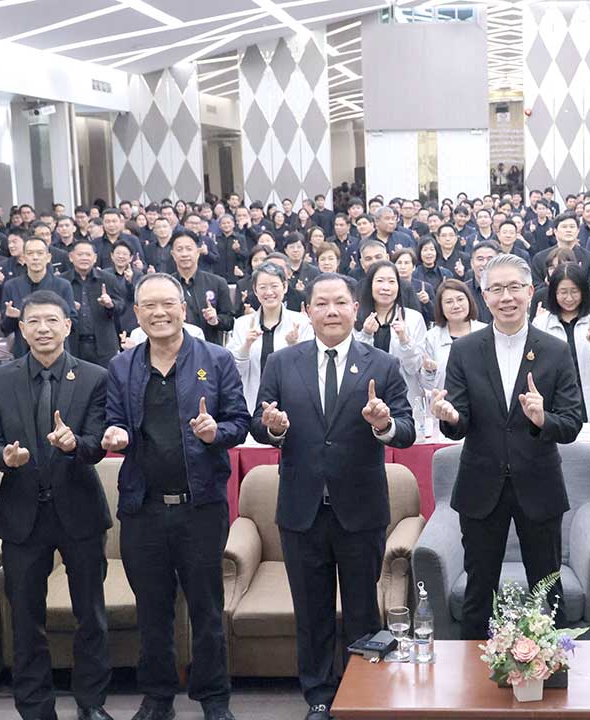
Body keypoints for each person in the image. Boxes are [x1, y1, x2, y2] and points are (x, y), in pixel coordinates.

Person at [249, 272, 416, 720]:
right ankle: (319, 696)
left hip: (360, 511)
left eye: (340, 302)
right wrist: (274, 428)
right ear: (307, 311)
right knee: (312, 613)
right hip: (301, 511)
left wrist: (384, 424)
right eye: (321, 303)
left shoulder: (383, 364)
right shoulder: (282, 363)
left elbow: (406, 430)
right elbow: (259, 422)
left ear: (355, 308)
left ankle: (364, 695)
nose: (331, 311)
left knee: (363, 612)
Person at [102, 273, 249, 720]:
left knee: (207, 609)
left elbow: (239, 421)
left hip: (200, 506)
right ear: (137, 313)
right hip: (142, 507)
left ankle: (214, 698)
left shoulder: (216, 359)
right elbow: (114, 419)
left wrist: (215, 432)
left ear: (184, 309)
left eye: (167, 303)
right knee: (152, 610)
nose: (159, 313)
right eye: (149, 306)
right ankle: (158, 697)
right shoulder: (122, 366)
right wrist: (115, 434)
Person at [429, 253, 583, 640]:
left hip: (539, 485)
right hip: (481, 486)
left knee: (548, 592)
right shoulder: (465, 350)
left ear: (531, 292)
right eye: (496, 289)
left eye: (514, 287)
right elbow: (459, 420)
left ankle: (556, 668)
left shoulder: (555, 350)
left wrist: (543, 419)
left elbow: (572, 422)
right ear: (484, 296)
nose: (506, 297)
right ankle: (473, 673)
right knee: (479, 594)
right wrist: (450, 416)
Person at [0, 290, 112, 720]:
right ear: (21, 328)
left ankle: (91, 703)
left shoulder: (94, 377)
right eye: (33, 321)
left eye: (52, 321)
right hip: (22, 515)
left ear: (68, 326)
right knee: (26, 618)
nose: (43, 329)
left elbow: (97, 444)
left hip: (79, 511)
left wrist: (75, 445)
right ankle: (35, 707)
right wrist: (5, 458)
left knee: (90, 615)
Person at [532, 263, 590, 422]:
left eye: (575, 291)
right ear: (554, 293)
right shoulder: (541, 323)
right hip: (556, 401)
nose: (569, 298)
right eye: (563, 292)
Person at [226, 263, 311, 414]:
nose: (269, 292)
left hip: (291, 404)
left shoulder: (301, 322)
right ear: (255, 290)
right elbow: (233, 371)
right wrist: (246, 345)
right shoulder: (242, 324)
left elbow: (309, 369)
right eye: (263, 287)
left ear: (285, 287)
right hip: (252, 403)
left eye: (274, 286)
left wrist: (294, 345)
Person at [354, 260, 426, 403]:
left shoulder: (413, 318)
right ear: (370, 285)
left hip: (403, 398)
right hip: (364, 397)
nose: (386, 287)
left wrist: (404, 340)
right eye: (380, 281)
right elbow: (354, 364)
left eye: (392, 282)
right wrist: (366, 335)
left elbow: (414, 368)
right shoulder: (355, 317)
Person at [0, 237, 77, 357]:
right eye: (30, 253)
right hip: (23, 353)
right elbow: (5, 328)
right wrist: (11, 317)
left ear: (48, 257)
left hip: (56, 352)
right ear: (24, 258)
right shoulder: (11, 286)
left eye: (40, 253)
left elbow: (73, 323)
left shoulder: (63, 285)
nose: (35, 258)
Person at [63, 239, 125, 367]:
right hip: (73, 344)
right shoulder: (63, 282)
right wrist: (67, 308)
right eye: (80, 254)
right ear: (71, 257)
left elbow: (121, 306)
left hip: (103, 345)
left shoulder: (108, 279)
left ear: (95, 258)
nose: (84, 258)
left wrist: (110, 304)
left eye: (88, 254)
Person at [419, 279, 485, 392]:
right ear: (440, 307)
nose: (456, 306)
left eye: (460, 299)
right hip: (446, 400)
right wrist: (430, 371)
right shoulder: (431, 338)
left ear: (469, 301)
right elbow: (427, 386)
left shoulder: (485, 332)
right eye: (449, 302)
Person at [170, 231, 234, 346]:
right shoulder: (166, 285)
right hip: (173, 348)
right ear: (173, 255)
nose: (184, 254)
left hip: (209, 347)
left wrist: (216, 319)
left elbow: (229, 321)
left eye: (189, 249)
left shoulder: (217, 282)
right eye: (179, 249)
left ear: (198, 252)